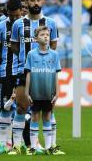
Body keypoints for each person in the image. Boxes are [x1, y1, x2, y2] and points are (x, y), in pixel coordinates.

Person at [9, 0, 59, 155]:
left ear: (42, 2)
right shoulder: (18, 24)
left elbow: (53, 46)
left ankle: (50, 147)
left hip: (45, 72)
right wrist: (27, 59)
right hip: (24, 71)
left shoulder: (50, 23)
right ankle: (16, 146)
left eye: (38, 0)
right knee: (22, 107)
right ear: (26, 3)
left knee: (47, 110)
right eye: (32, 0)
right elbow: (14, 46)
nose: (36, 3)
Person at [24, 26, 62, 155]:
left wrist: (57, 92)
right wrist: (26, 92)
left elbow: (56, 74)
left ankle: (48, 147)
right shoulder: (31, 54)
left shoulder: (55, 54)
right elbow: (28, 73)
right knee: (35, 117)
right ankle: (33, 147)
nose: (46, 36)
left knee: (47, 116)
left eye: (47, 34)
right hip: (35, 92)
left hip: (48, 92)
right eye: (42, 35)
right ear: (35, 39)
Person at [0, 0, 22, 154]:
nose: (15, 19)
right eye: (12, 16)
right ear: (7, 13)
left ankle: (19, 142)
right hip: (6, 72)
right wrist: (3, 64)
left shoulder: (25, 25)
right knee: (5, 106)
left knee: (23, 108)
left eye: (17, 15)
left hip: (23, 71)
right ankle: (3, 143)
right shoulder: (0, 27)